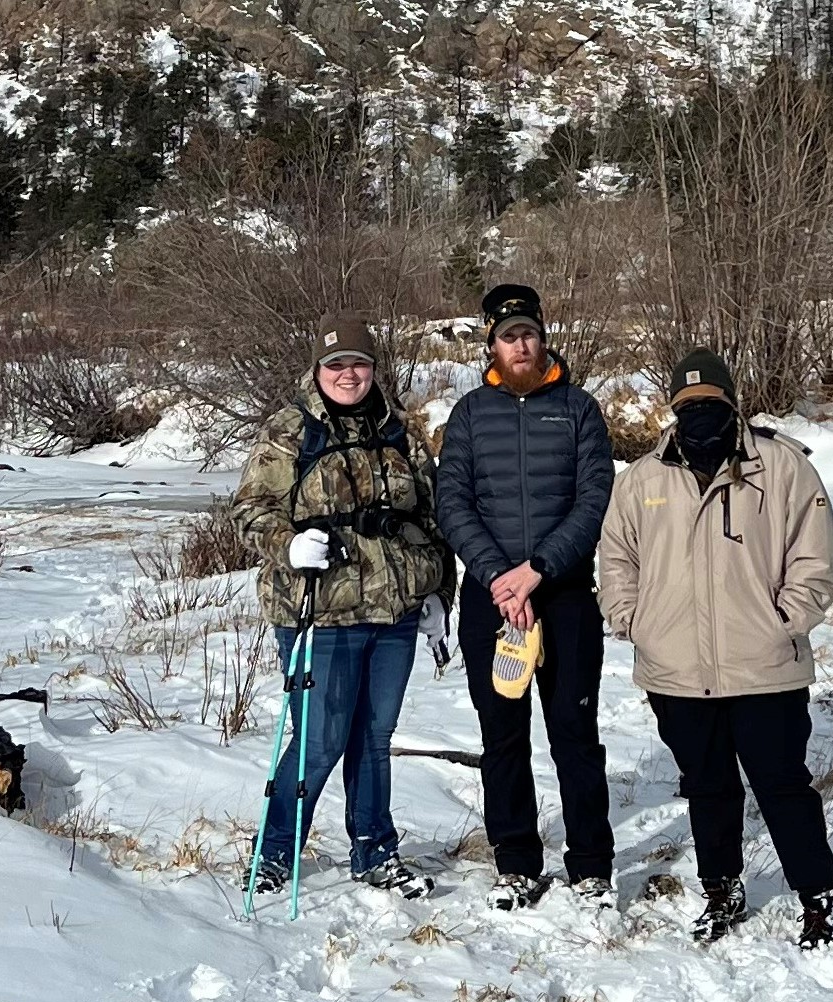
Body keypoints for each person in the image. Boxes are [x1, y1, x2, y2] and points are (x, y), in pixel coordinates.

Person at [597, 347, 833, 948]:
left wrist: (783, 619)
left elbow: (819, 558)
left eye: (711, 403)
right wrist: (634, 621)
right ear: (673, 409)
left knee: (782, 786)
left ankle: (816, 897)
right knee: (707, 787)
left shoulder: (782, 467)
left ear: (732, 403)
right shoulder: (642, 480)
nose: (699, 413)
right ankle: (721, 890)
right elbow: (616, 558)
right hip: (676, 670)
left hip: (765, 668)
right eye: (688, 404)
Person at [234, 309, 455, 899]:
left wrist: (438, 594)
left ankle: (376, 851)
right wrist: (289, 545)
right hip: (319, 612)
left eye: (358, 362)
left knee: (375, 738)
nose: (348, 374)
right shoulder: (290, 430)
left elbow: (432, 518)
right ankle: (275, 849)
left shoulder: (399, 431)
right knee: (320, 738)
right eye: (336, 364)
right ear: (318, 369)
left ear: (373, 368)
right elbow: (249, 513)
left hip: (395, 615)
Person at [437, 283, 616, 911]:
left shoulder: (579, 409)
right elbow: (451, 503)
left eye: (529, 334)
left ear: (543, 339)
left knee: (574, 731)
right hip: (494, 601)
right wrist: (498, 577)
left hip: (562, 595)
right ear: (491, 343)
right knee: (503, 736)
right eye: (508, 335)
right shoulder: (467, 415)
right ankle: (515, 862)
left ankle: (591, 864)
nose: (520, 344)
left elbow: (594, 501)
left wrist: (538, 570)